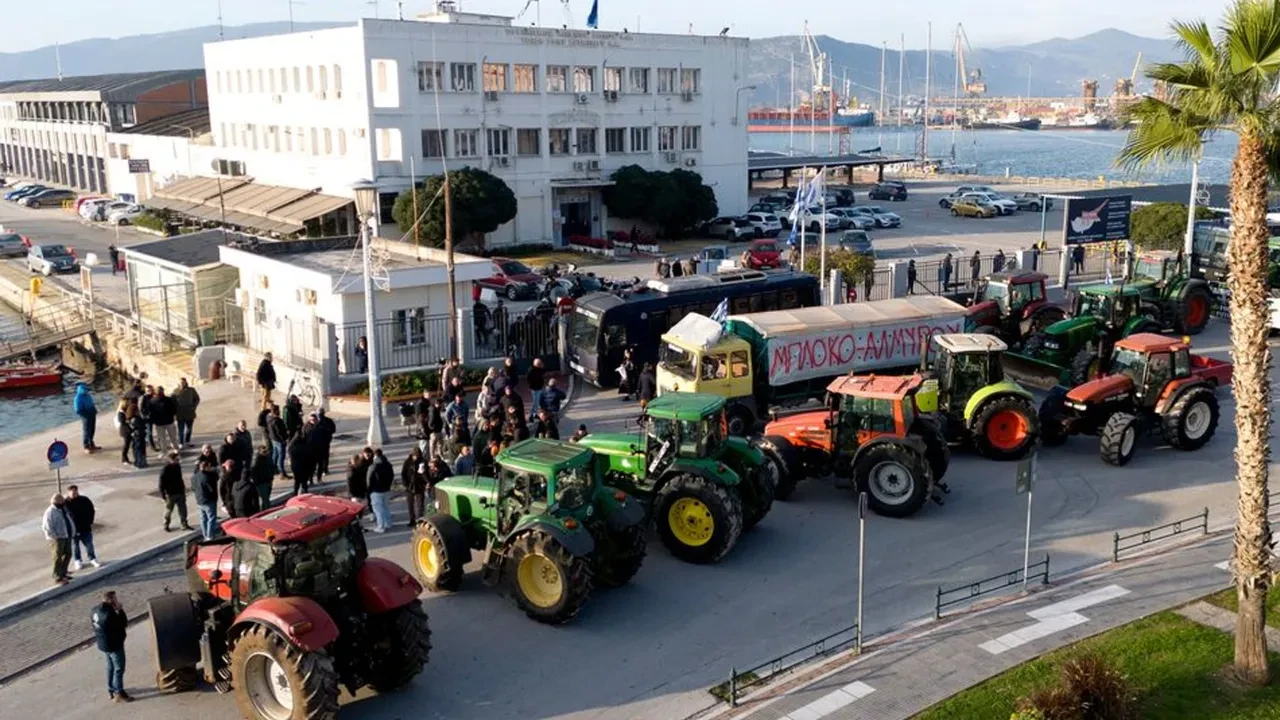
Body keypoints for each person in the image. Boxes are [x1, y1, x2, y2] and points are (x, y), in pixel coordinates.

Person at [92, 591, 131, 703]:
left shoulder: (94, 610)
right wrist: (120, 610)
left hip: (103, 644)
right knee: (119, 668)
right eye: (115, 599)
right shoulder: (110, 614)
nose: (117, 601)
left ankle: (111, 689)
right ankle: (119, 692)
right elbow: (123, 623)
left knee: (110, 667)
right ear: (111, 601)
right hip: (114, 645)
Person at [42, 494, 76, 585]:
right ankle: (57, 576)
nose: (63, 503)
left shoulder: (62, 509)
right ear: (56, 503)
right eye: (62, 502)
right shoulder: (50, 512)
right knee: (57, 557)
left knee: (68, 554)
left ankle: (63, 573)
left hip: (66, 535)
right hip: (57, 538)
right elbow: (47, 527)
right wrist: (54, 536)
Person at [65, 485, 99, 571]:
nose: (74, 494)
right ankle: (77, 560)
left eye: (75, 492)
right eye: (72, 493)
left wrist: (90, 522)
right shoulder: (65, 503)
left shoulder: (84, 500)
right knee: (75, 546)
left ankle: (92, 558)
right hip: (73, 530)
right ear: (68, 493)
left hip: (85, 527)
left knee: (89, 544)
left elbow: (91, 510)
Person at [159, 452, 191, 531]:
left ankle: (184, 524)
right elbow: (161, 484)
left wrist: (183, 487)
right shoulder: (165, 469)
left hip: (180, 491)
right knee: (169, 510)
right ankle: (166, 524)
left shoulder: (177, 466)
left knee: (183, 509)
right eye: (177, 459)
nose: (178, 461)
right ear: (171, 460)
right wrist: (163, 496)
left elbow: (180, 478)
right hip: (170, 494)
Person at [367, 448, 394, 533]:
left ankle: (381, 526)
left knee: (378, 509)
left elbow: (369, 479)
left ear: (375, 456)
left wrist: (369, 489)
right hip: (386, 489)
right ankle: (388, 523)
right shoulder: (388, 464)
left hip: (376, 490)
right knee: (385, 507)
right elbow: (392, 476)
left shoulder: (373, 466)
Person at [191, 459, 220, 540]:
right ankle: (210, 535)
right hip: (209, 500)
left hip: (199, 500)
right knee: (211, 518)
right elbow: (212, 488)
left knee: (203, 519)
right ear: (207, 467)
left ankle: (205, 535)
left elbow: (193, 488)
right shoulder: (208, 477)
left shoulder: (195, 476)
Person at [401, 446, 427, 525]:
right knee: (410, 505)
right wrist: (406, 484)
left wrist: (425, 483)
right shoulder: (407, 462)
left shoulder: (422, 461)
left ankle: (420, 520)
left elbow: (425, 474)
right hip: (410, 486)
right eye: (415, 455)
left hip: (419, 486)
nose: (416, 457)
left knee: (420, 505)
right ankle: (412, 520)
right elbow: (403, 474)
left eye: (417, 455)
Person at [150, 386, 178, 454]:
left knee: (172, 437)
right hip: (160, 423)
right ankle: (164, 451)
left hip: (168, 422)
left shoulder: (168, 399)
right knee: (163, 439)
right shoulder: (153, 401)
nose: (160, 393)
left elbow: (173, 409)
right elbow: (152, 412)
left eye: (161, 391)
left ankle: (175, 449)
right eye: (159, 391)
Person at [173, 378, 200, 448]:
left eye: (183, 382)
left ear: (186, 382)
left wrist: (193, 407)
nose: (182, 384)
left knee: (189, 429)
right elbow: (172, 402)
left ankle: (187, 441)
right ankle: (181, 442)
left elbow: (197, 399)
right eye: (181, 382)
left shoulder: (191, 390)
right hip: (180, 414)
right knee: (180, 430)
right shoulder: (175, 391)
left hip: (190, 413)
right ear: (178, 383)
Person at [73, 382, 98, 453]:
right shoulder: (77, 398)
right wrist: (85, 415)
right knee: (86, 430)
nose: (86, 391)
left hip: (91, 413)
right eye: (85, 390)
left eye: (86, 389)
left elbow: (91, 403)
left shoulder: (88, 395)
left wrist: (94, 410)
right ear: (81, 390)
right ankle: (86, 446)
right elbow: (78, 410)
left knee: (92, 429)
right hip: (85, 415)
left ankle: (91, 444)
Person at [314, 408, 336, 480]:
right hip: (325, 441)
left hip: (320, 441)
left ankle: (320, 469)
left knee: (319, 456)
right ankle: (324, 469)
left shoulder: (316, 421)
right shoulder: (328, 420)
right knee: (325, 456)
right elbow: (333, 430)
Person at [267, 404, 288, 477]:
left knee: (275, 455)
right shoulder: (277, 421)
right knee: (281, 457)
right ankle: (282, 473)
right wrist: (285, 439)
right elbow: (280, 432)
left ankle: (273, 469)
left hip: (273, 439)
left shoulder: (269, 418)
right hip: (279, 441)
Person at [139, 385, 158, 452]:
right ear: (145, 391)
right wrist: (144, 416)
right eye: (148, 391)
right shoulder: (143, 397)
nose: (150, 392)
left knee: (150, 432)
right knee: (149, 432)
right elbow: (140, 408)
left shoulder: (153, 396)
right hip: (147, 418)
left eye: (151, 390)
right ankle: (152, 446)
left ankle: (149, 443)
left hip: (153, 417)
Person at [116, 400, 134, 466]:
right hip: (125, 430)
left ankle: (127, 458)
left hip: (128, 429)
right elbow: (122, 421)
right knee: (126, 445)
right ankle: (124, 459)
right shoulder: (120, 413)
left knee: (129, 444)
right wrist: (128, 420)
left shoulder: (125, 411)